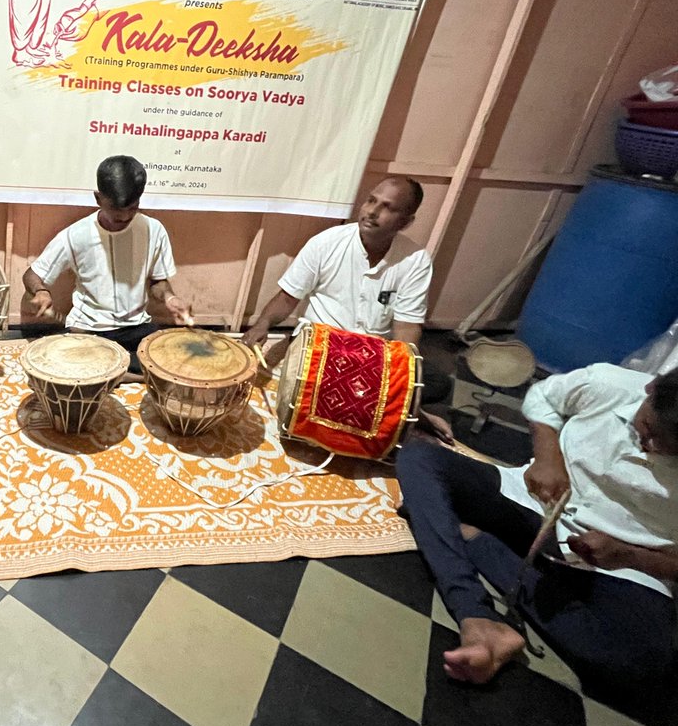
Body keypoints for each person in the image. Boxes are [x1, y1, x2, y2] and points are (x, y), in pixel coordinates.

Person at [396, 363, 678, 697]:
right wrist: (548, 456)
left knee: (643, 666)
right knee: (420, 459)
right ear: (651, 387)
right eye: (646, 429)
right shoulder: (610, 384)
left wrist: (631, 556)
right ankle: (475, 613)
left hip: (617, 565)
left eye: (668, 449)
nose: (650, 446)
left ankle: (476, 540)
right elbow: (542, 397)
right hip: (529, 505)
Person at [241, 175, 452, 410]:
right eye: (371, 201)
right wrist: (262, 324)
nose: (372, 211)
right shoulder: (326, 243)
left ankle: (399, 408)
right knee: (324, 388)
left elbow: (407, 327)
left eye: (387, 207)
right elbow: (287, 297)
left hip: (372, 354)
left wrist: (401, 377)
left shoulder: (415, 260)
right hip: (321, 347)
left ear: (405, 222)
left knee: (436, 383)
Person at [22, 155, 192, 374]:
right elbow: (31, 275)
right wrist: (41, 292)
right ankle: (121, 374)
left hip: (136, 329)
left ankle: (118, 375)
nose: (125, 217)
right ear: (98, 198)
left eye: (132, 208)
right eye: (116, 211)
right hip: (89, 330)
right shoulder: (77, 235)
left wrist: (170, 298)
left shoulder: (154, 230)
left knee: (173, 363)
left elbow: (158, 282)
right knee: (67, 366)